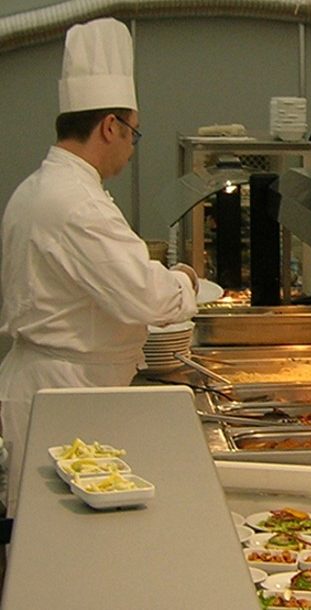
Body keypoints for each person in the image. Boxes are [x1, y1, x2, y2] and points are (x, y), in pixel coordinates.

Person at [0, 18, 199, 512]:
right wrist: (186, 281)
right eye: (134, 132)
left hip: (58, 390)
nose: (133, 148)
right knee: (55, 549)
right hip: (66, 397)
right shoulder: (76, 202)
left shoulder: (43, 187)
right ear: (110, 126)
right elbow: (146, 298)